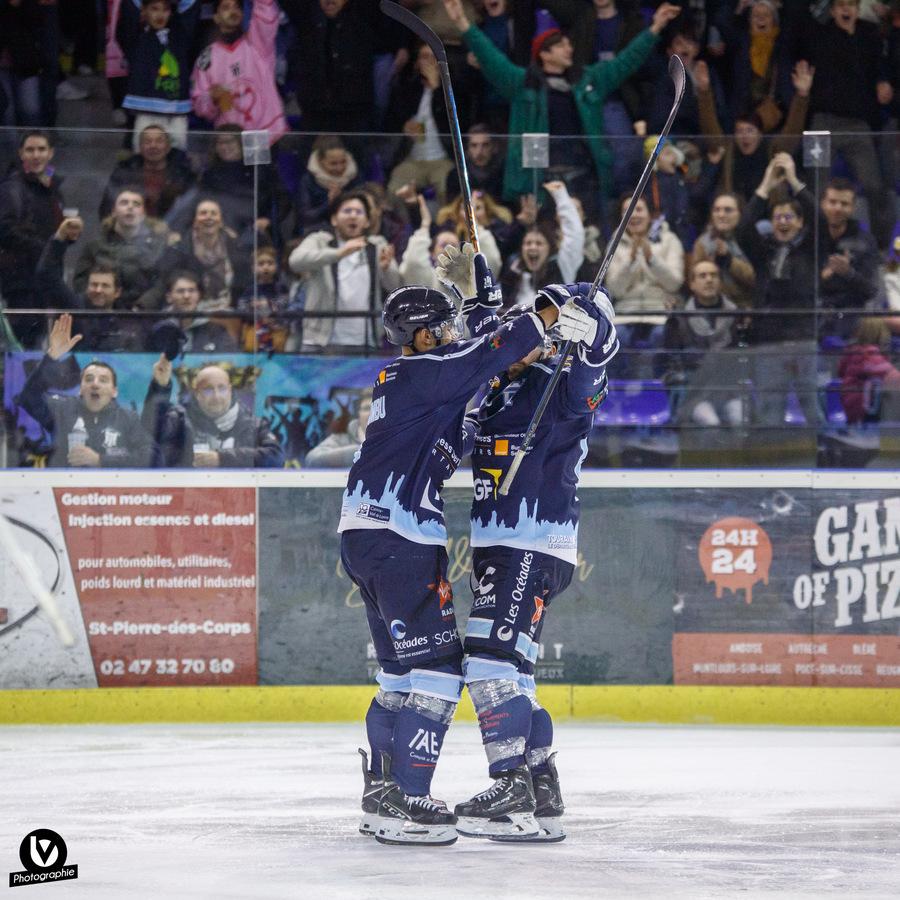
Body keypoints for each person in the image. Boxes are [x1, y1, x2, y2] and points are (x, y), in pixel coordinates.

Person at [342, 252, 591, 845]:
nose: (452, 333)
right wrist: (549, 315)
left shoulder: (418, 383)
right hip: (401, 537)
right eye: (444, 327)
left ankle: (382, 796)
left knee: (398, 676)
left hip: (366, 536)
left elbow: (475, 394)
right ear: (424, 336)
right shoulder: (428, 372)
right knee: (436, 672)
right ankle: (408, 802)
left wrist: (483, 302)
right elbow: (492, 351)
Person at [444, 278, 617, 842]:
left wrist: (595, 335)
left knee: (488, 663)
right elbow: (488, 346)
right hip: (505, 544)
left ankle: (511, 793)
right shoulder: (502, 384)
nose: (529, 331)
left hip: (530, 542)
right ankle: (542, 790)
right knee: (516, 672)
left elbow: (594, 371)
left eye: (547, 321)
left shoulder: (562, 382)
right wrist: (478, 303)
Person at [442, 0, 680, 205]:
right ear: (544, 54)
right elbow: (490, 58)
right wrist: (463, 23)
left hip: (585, 177)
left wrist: (655, 27)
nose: (569, 48)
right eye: (561, 45)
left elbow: (626, 61)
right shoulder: (523, 84)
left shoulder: (588, 80)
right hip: (541, 181)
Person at [800, 0, 895, 248]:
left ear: (857, 9)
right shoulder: (820, 35)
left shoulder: (869, 34)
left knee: (875, 186)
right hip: (821, 122)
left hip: (858, 125)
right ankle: (813, 244)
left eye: (851, 5)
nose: (846, 10)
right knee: (815, 185)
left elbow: (881, 63)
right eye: (841, 5)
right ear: (832, 11)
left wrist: (883, 80)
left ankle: (882, 248)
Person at [735, 152, 818, 427]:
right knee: (770, 412)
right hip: (769, 340)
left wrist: (794, 181)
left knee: (813, 410)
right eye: (778, 217)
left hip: (803, 338)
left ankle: (824, 451)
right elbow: (743, 229)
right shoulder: (764, 252)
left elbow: (819, 219)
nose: (783, 221)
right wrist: (766, 185)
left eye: (789, 217)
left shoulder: (810, 251)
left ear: (800, 222)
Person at [15, 314, 153, 468]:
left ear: (114, 391)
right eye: (89, 379)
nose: (95, 384)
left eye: (103, 380)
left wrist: (100, 460)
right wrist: (52, 356)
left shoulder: (128, 419)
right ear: (80, 388)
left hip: (110, 484)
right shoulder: (61, 410)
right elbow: (28, 397)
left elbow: (151, 457)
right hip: (64, 482)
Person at [288, 191, 401, 351]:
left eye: (359, 212)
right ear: (334, 219)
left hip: (365, 341)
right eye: (347, 211)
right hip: (320, 341)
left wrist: (386, 268)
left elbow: (394, 286)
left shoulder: (377, 245)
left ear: (367, 222)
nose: (353, 216)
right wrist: (339, 253)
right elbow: (295, 262)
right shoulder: (319, 241)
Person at [142, 358, 284, 468]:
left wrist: (221, 458)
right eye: (208, 390)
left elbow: (276, 457)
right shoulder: (180, 420)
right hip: (189, 494)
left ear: (230, 390)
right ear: (197, 394)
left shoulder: (253, 425)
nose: (216, 396)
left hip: (238, 496)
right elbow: (150, 432)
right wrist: (160, 387)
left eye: (222, 389)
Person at [35, 215, 144, 352]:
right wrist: (60, 239)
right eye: (94, 284)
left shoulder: (126, 321)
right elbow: (47, 275)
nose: (98, 290)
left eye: (105, 286)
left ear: (117, 292)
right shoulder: (76, 309)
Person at [605, 193, 685, 375]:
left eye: (639, 209)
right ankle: (619, 390)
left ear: (650, 214)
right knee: (616, 337)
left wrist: (651, 259)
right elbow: (614, 289)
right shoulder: (614, 243)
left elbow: (675, 283)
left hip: (659, 310)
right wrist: (631, 261)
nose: (633, 215)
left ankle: (656, 387)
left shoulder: (669, 240)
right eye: (627, 211)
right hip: (625, 312)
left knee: (660, 335)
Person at [191, 0, 288, 145]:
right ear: (216, 17)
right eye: (226, 7)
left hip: (264, 134)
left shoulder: (258, 43)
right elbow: (199, 103)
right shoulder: (207, 57)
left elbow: (266, 15)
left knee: (261, 163)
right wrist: (212, 98)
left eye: (237, 7)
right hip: (230, 140)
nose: (233, 11)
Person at [0, 130, 65, 347]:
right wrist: (47, 248)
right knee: (24, 342)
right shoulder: (12, 188)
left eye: (41, 149)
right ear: (21, 153)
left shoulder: (52, 187)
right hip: (21, 280)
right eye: (30, 150)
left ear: (51, 153)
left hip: (46, 277)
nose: (36, 155)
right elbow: (5, 231)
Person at [663, 260, 746, 427]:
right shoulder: (679, 319)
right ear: (692, 284)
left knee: (740, 419)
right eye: (702, 276)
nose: (709, 280)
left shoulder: (735, 316)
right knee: (710, 422)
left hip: (728, 390)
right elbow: (672, 363)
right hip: (695, 394)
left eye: (713, 275)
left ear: (720, 282)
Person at [116, 0, 202, 149]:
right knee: (145, 155)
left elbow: (191, 7)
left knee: (178, 157)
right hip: (145, 112)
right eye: (154, 9)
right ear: (144, 11)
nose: (160, 14)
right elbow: (130, 9)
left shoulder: (180, 35)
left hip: (177, 112)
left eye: (165, 9)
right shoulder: (135, 37)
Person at [74, 187, 174, 310]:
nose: (130, 207)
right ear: (114, 211)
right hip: (100, 311)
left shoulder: (158, 246)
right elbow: (81, 282)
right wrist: (95, 302)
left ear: (143, 214)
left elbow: (162, 283)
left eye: (136, 204)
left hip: (143, 314)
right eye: (124, 203)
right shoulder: (95, 246)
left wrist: (142, 306)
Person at [385, 42, 459, 207]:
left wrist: (437, 87)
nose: (430, 62)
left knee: (447, 189)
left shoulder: (455, 90)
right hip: (413, 159)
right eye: (425, 57)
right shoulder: (407, 88)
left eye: (434, 57)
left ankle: (445, 224)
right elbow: (391, 121)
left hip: (443, 159)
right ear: (417, 62)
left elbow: (455, 121)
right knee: (394, 189)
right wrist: (403, 126)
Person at [816, 178, 882, 342]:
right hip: (813, 313)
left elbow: (871, 290)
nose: (837, 208)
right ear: (822, 204)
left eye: (844, 204)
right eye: (832, 202)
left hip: (850, 316)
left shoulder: (865, 241)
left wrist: (848, 273)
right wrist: (821, 277)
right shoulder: (810, 237)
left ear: (852, 208)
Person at [99, 124, 196, 219]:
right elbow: (107, 208)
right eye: (147, 141)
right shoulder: (124, 172)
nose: (153, 146)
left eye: (159, 141)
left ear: (168, 147)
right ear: (140, 147)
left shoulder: (183, 175)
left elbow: (191, 210)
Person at [690, 191, 755, 308]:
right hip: (714, 306)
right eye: (717, 210)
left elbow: (757, 279)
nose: (721, 215)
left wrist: (728, 260)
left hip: (747, 305)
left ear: (740, 213)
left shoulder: (752, 240)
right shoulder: (702, 243)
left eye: (728, 210)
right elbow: (695, 281)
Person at [296, 135, 363, 233]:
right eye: (333, 163)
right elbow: (305, 217)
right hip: (316, 231)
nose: (340, 168)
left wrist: (343, 198)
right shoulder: (308, 180)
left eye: (343, 162)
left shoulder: (355, 177)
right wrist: (329, 203)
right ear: (320, 161)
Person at [838, 317, 900, 424]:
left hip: (852, 406)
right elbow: (890, 373)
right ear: (880, 334)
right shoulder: (869, 352)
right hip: (862, 408)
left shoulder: (854, 351)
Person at [161, 270, 237, 352]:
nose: (186, 296)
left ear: (199, 295)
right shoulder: (156, 328)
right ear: (169, 297)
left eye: (191, 290)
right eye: (180, 291)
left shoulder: (215, 330)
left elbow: (231, 357)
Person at [304, 389, 372, 468]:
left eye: (377, 408)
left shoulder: (386, 441)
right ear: (358, 414)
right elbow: (311, 460)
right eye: (367, 408)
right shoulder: (340, 439)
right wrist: (358, 452)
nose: (372, 413)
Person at [444, 125, 505, 201]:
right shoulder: (456, 175)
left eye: (485, 145)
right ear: (468, 149)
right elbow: (452, 204)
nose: (479, 152)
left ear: (493, 147)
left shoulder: (503, 173)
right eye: (474, 145)